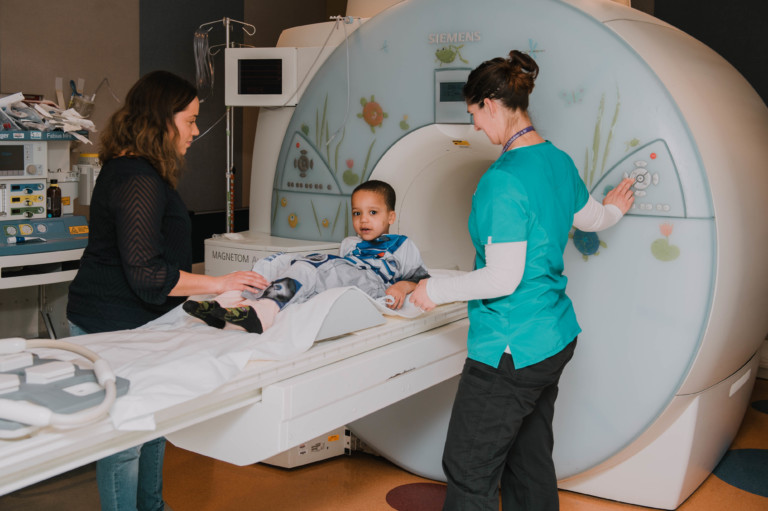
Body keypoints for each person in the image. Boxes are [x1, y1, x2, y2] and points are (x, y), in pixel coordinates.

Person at [408, 50, 635, 511]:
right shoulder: (558, 161)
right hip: (552, 339)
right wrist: (616, 208)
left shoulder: (502, 180)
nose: (474, 126)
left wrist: (432, 290)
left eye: (473, 113)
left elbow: (502, 277)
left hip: (510, 349)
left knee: (469, 469)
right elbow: (593, 218)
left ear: (492, 103)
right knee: (529, 461)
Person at [66, 70, 267, 511]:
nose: (196, 131)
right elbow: (147, 273)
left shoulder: (138, 170)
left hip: (143, 320)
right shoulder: (137, 178)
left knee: (154, 424)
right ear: (162, 118)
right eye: (191, 120)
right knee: (125, 440)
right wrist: (219, 283)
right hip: (112, 324)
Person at [183, 179, 430, 333]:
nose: (363, 219)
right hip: (346, 269)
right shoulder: (349, 244)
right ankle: (228, 302)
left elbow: (422, 279)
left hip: (372, 281)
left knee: (312, 267)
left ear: (391, 217)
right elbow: (337, 274)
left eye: (373, 212)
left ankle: (264, 312)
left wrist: (400, 286)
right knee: (280, 260)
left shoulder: (402, 245)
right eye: (357, 213)